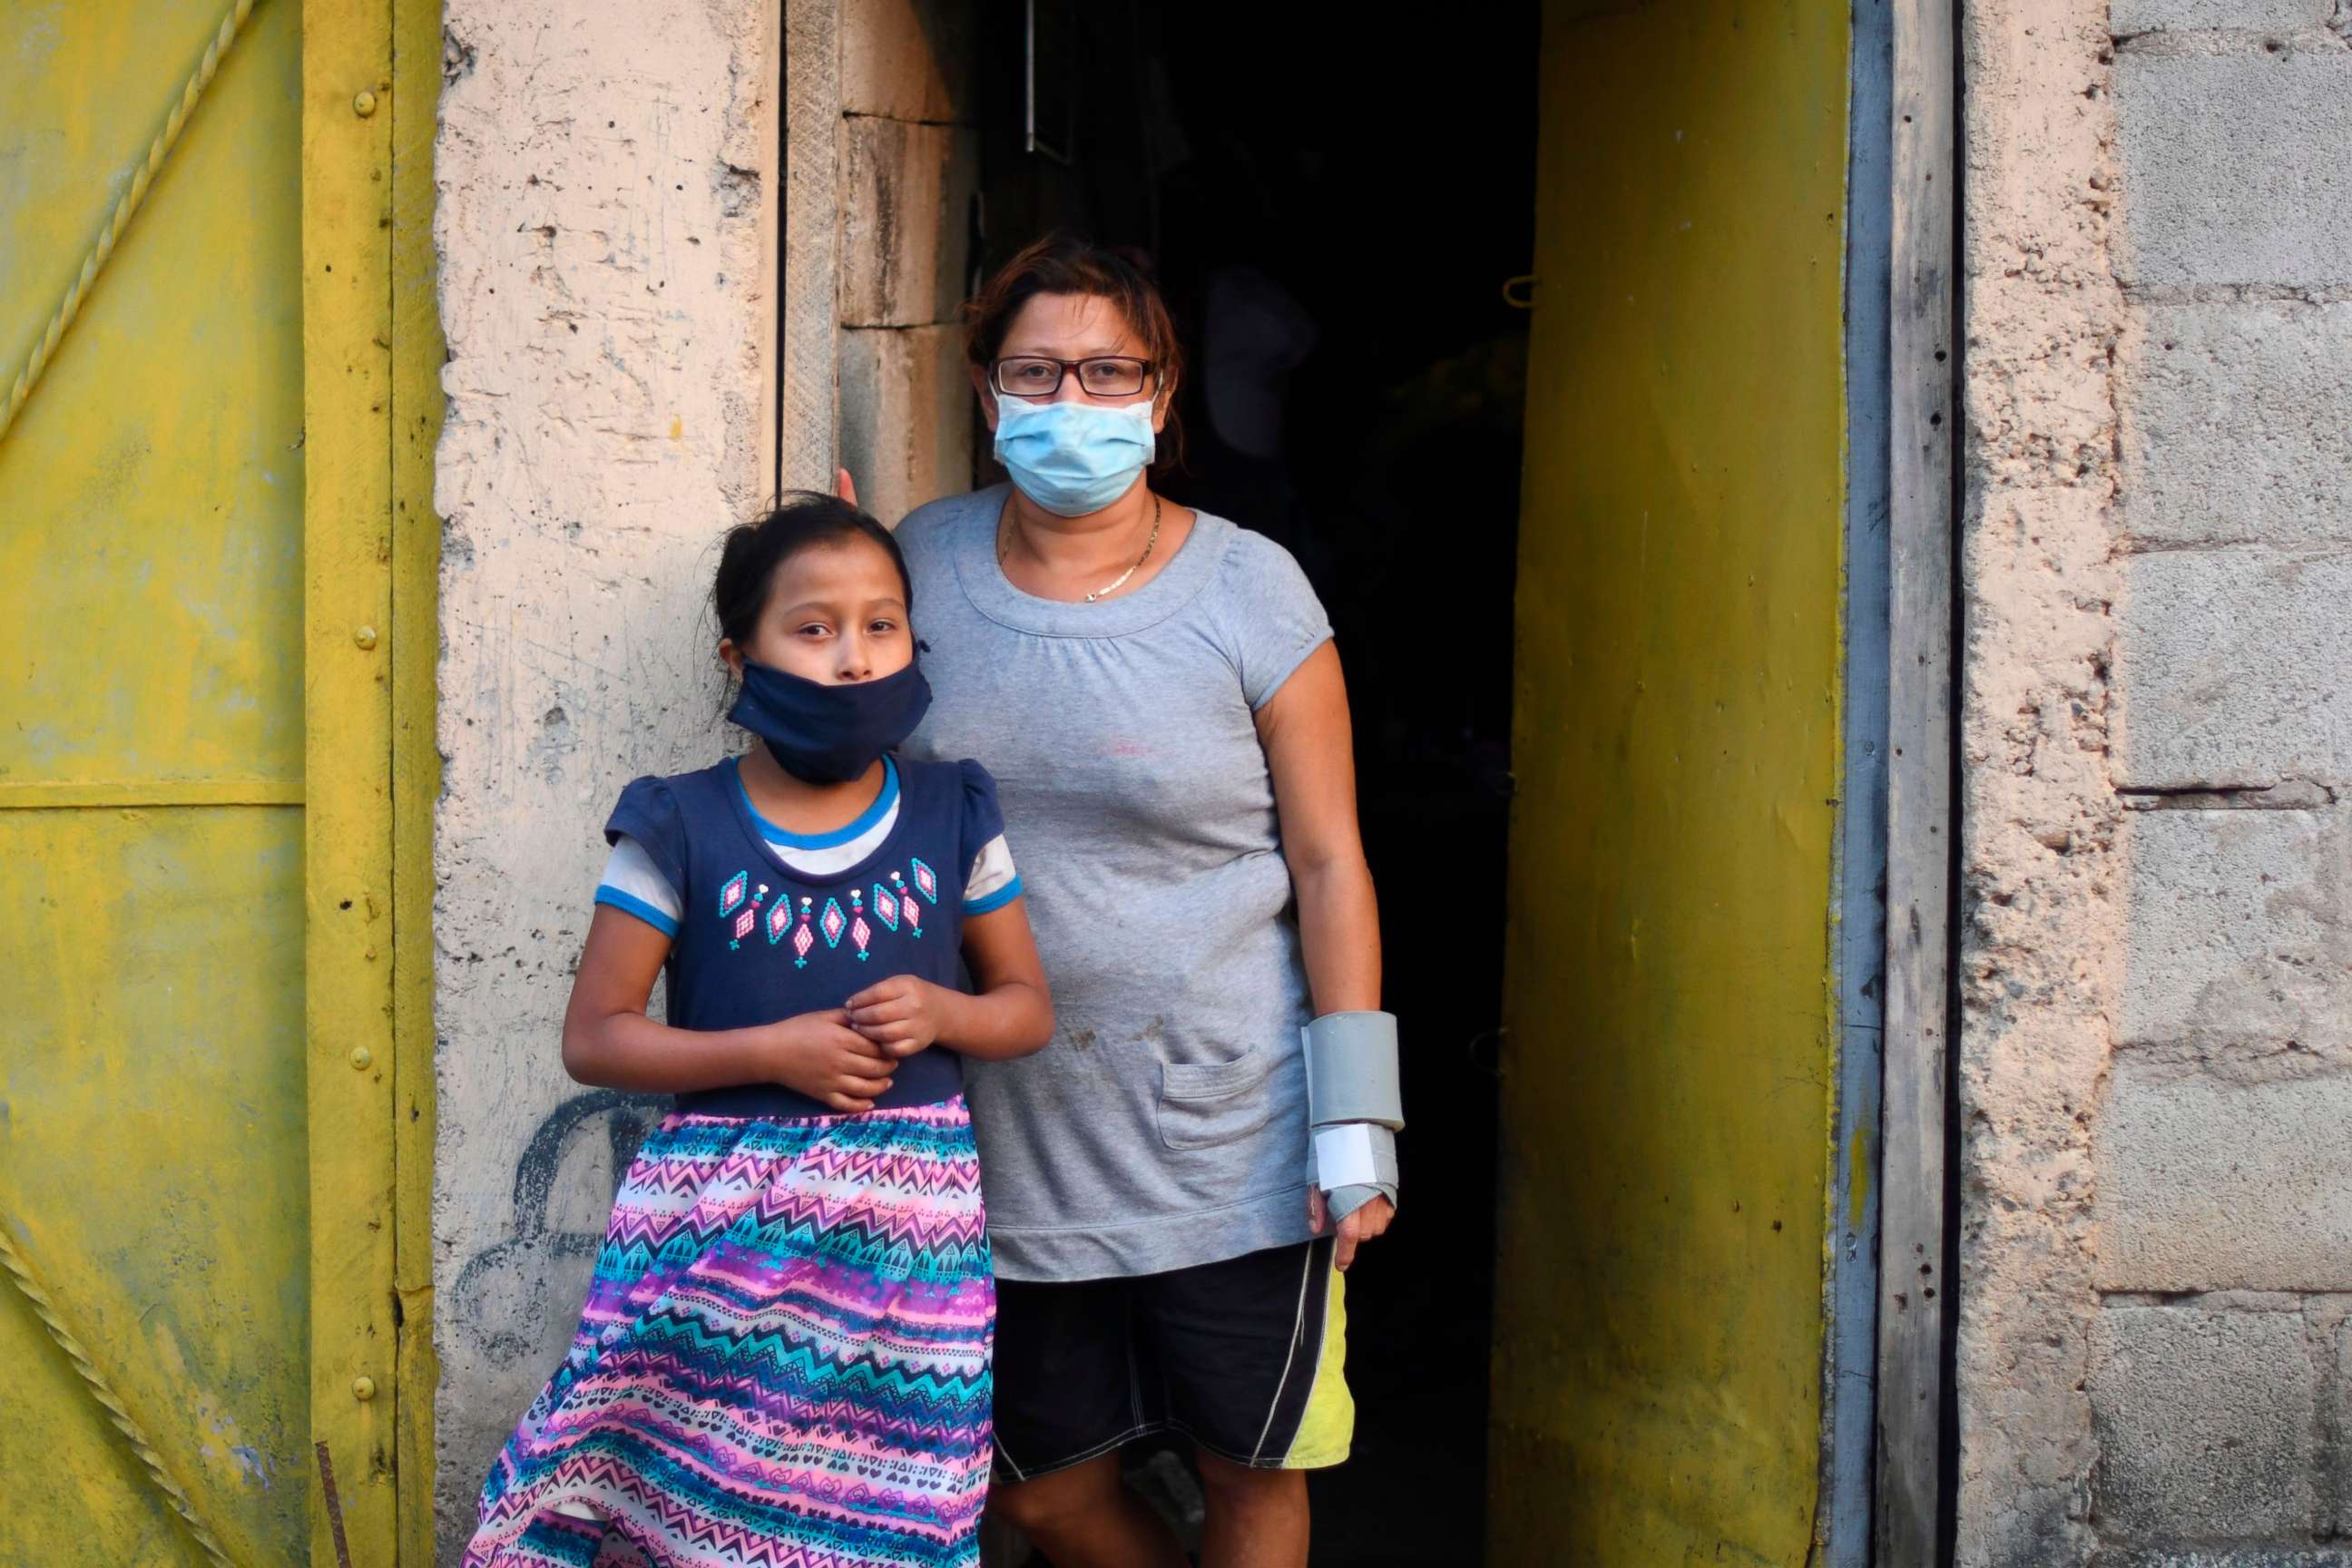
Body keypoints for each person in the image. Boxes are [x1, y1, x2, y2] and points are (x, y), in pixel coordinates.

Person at [892, 234, 1403, 1568]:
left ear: (1164, 396)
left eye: (1109, 371)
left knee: (1251, 1475)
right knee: (1040, 1495)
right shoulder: (920, 567)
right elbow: (847, 791)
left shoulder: (1250, 587)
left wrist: (1359, 1113)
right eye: (1038, 372)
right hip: (1006, 1143)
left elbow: (1331, 860)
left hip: (1228, 1139)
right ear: (985, 391)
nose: (1075, 403)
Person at [461, 494, 1054, 1568]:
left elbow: (1024, 1008)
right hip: (716, 1237)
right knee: (701, 1514)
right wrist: (770, 1051)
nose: (853, 658)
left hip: (906, 1254)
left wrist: (944, 1010)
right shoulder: (677, 822)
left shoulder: (954, 812)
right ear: (742, 655)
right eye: (813, 627)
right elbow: (596, 1037)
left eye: (881, 625)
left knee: (892, 1519)